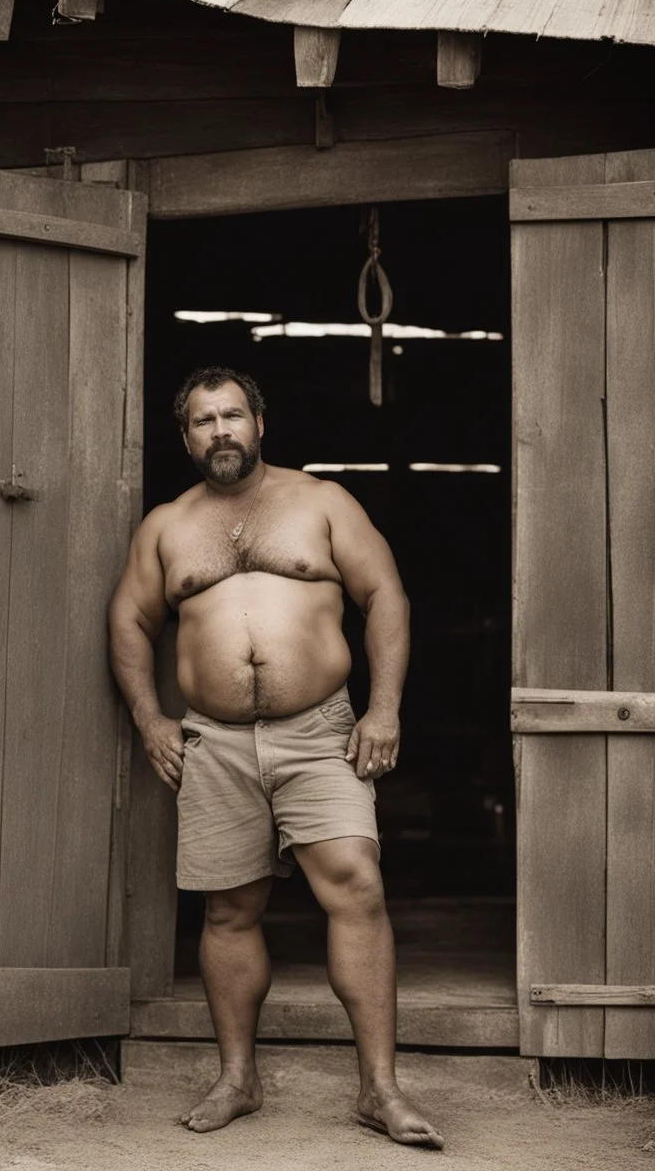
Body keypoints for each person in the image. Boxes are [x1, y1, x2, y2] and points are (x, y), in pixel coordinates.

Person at [108, 366, 444, 1150]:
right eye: (202, 421)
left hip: (318, 732)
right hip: (213, 741)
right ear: (185, 436)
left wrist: (385, 707)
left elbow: (385, 596)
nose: (219, 431)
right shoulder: (167, 526)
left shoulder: (322, 503)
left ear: (261, 422)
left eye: (232, 415)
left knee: (357, 888)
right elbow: (129, 618)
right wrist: (149, 718)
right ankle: (238, 1078)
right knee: (228, 910)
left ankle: (379, 1089)